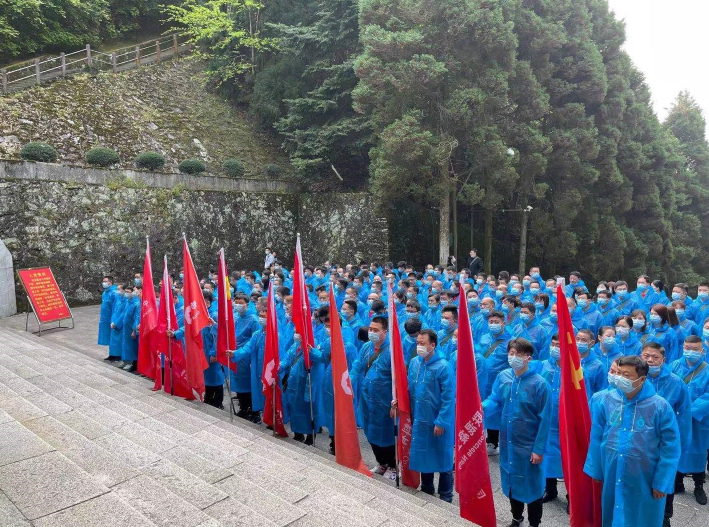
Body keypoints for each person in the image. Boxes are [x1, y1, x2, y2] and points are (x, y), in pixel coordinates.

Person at [584, 356, 681, 527]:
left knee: (643, 517)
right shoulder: (607, 400)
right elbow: (597, 436)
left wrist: (662, 482)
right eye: (619, 373)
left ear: (642, 379)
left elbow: (671, 448)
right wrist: (596, 469)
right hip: (612, 470)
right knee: (612, 513)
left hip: (645, 476)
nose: (620, 378)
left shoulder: (660, 407)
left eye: (626, 375)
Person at [483, 338, 551, 527]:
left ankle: (534, 523)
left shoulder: (540, 384)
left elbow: (545, 419)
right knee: (512, 481)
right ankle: (516, 518)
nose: (514, 357)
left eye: (519, 354)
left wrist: (538, 449)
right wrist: (482, 407)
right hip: (508, 443)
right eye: (511, 353)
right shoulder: (503, 377)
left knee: (533, 487)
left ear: (528, 358)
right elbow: (495, 400)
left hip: (529, 445)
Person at [641, 342, 692, 527]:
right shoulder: (636, 379)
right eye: (646, 356)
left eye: (655, 357)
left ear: (663, 360)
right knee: (642, 480)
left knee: (665, 480)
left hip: (665, 441)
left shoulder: (675, 382)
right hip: (640, 441)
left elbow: (684, 414)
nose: (650, 360)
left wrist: (681, 444)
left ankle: (665, 517)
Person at [405, 329, 455, 502]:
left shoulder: (444, 367)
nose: (419, 346)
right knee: (423, 454)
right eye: (417, 343)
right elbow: (409, 388)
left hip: (437, 420)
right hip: (419, 419)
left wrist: (441, 421)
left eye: (422, 343)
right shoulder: (414, 363)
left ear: (432, 345)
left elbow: (449, 398)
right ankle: (427, 488)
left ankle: (446, 495)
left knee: (443, 457)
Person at [352, 316, 396, 478]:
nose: (371, 332)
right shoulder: (366, 347)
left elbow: (398, 379)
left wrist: (395, 403)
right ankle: (381, 463)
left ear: (385, 331)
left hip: (384, 400)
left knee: (387, 434)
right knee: (370, 430)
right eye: (370, 329)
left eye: (376, 330)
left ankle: (393, 466)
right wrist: (347, 382)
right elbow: (357, 366)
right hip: (367, 398)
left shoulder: (392, 351)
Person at [670, 335, 709, 506]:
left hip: (698, 421)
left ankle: (698, 486)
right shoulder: (674, 366)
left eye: (694, 349)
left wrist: (688, 411)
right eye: (687, 348)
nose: (690, 352)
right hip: (676, 419)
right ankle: (678, 483)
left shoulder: (707, 370)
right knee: (676, 449)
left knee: (697, 452)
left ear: (702, 350)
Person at [98, 275, 117, 352]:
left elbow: (116, 308)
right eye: (103, 281)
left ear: (110, 282)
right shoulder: (105, 292)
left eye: (105, 281)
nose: (103, 283)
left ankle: (115, 354)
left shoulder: (114, 293)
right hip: (105, 317)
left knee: (114, 337)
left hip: (111, 317)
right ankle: (111, 353)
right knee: (108, 336)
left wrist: (114, 320)